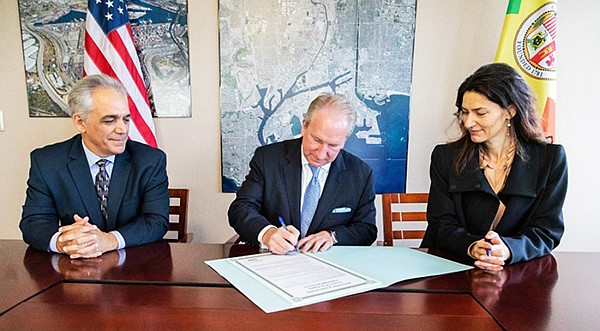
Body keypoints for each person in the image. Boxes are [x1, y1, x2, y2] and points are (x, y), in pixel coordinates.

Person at [421, 63, 568, 270]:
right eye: (464, 112)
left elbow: (547, 230)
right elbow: (440, 224)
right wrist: (472, 246)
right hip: (451, 268)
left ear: (510, 111)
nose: (468, 122)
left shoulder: (550, 159)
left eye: (480, 113)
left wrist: (508, 249)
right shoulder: (445, 157)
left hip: (518, 275)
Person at [20, 74, 170, 259]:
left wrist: (109, 240)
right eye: (110, 120)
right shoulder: (47, 162)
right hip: (75, 268)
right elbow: (33, 223)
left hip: (136, 268)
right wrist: (64, 241)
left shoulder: (150, 160)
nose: (122, 129)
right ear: (80, 122)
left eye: (126, 119)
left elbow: (156, 221)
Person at [228, 93, 377, 255]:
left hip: (329, 268)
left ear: (344, 141)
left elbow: (366, 229)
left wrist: (333, 236)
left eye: (333, 145)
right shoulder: (268, 159)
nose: (321, 154)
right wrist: (268, 234)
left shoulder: (360, 174)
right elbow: (240, 208)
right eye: (317, 140)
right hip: (275, 263)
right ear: (304, 126)